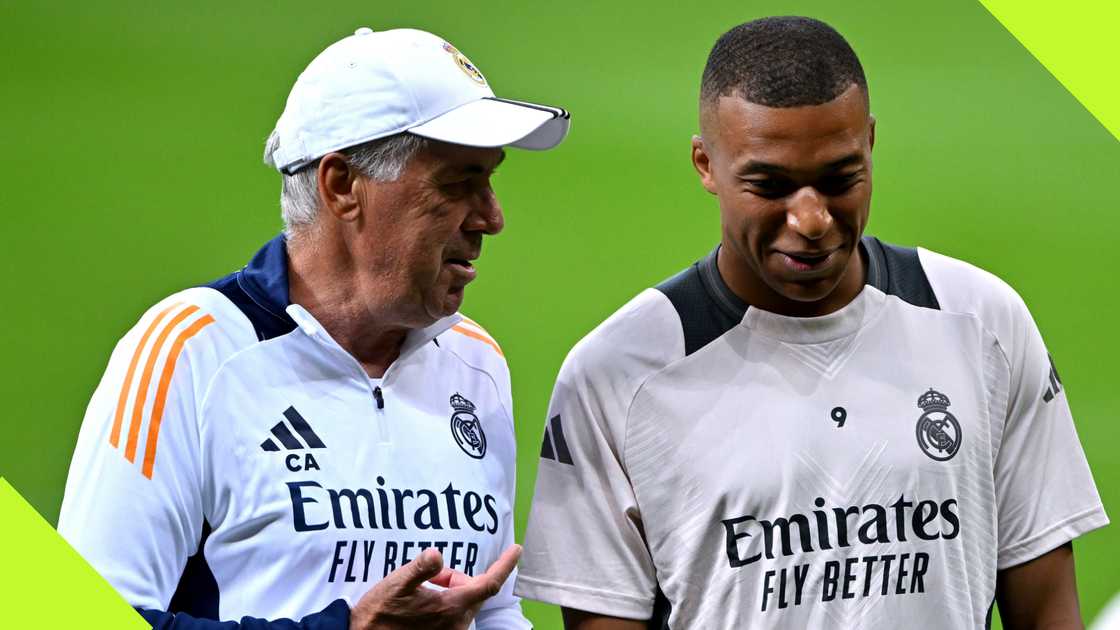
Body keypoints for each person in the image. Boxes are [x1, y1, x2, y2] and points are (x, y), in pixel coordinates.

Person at [514, 16, 1106, 629]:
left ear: (870, 143)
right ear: (705, 164)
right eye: (770, 185)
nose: (812, 219)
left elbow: (1046, 611)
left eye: (838, 179)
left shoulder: (981, 321)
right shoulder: (618, 373)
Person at [57, 26, 569, 629]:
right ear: (343, 186)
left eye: (490, 180)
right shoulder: (190, 349)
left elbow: (491, 612)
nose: (491, 217)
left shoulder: (476, 363)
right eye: (458, 184)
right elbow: (76, 616)